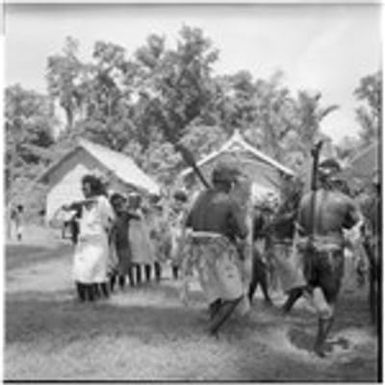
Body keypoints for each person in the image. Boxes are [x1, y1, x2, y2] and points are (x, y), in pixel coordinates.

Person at [295, 158, 362, 357]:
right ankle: (319, 343)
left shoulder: (305, 199)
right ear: (336, 177)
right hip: (331, 253)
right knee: (331, 300)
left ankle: (320, 306)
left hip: (309, 251)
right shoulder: (344, 200)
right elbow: (356, 224)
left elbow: (300, 226)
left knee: (312, 284)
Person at [183, 164, 249, 336]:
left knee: (214, 294)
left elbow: (189, 223)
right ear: (229, 184)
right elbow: (243, 233)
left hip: (199, 251)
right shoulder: (230, 201)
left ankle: (213, 333)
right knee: (235, 295)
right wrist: (233, 221)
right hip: (218, 250)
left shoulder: (199, 197)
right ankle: (210, 329)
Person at [62, 174, 115, 302]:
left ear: (94, 188)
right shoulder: (83, 206)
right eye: (82, 189)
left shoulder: (101, 201)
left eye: (86, 188)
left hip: (97, 242)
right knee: (79, 270)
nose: (83, 191)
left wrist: (74, 204)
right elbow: (69, 219)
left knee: (91, 271)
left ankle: (92, 299)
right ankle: (82, 299)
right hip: (83, 243)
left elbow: (110, 216)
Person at [110, 193, 140, 291]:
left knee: (124, 267)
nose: (118, 206)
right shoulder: (111, 215)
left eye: (120, 203)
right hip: (113, 245)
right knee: (114, 267)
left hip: (124, 245)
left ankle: (122, 287)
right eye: (116, 204)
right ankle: (111, 288)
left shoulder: (125, 214)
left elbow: (138, 216)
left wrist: (125, 210)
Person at [248, 203, 273, 305]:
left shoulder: (265, 221)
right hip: (255, 247)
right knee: (260, 273)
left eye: (269, 214)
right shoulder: (258, 219)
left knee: (260, 274)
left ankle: (252, 296)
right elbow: (252, 235)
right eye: (266, 213)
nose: (268, 216)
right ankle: (266, 297)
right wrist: (265, 232)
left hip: (260, 247)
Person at [128, 193, 156, 285]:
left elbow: (149, 218)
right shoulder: (127, 211)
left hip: (141, 236)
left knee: (144, 258)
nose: (132, 201)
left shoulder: (142, 210)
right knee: (132, 260)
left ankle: (144, 279)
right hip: (131, 236)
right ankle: (133, 281)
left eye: (134, 200)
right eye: (131, 199)